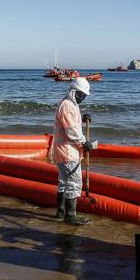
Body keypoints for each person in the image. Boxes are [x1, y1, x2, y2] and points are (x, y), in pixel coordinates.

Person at [52, 77, 93, 225]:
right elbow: (72, 131)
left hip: (64, 149)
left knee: (64, 182)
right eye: (81, 95)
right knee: (74, 183)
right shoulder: (68, 105)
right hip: (67, 150)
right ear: (74, 91)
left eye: (84, 96)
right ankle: (70, 215)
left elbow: (71, 123)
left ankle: (61, 212)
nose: (82, 98)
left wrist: (82, 118)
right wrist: (84, 143)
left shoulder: (70, 103)